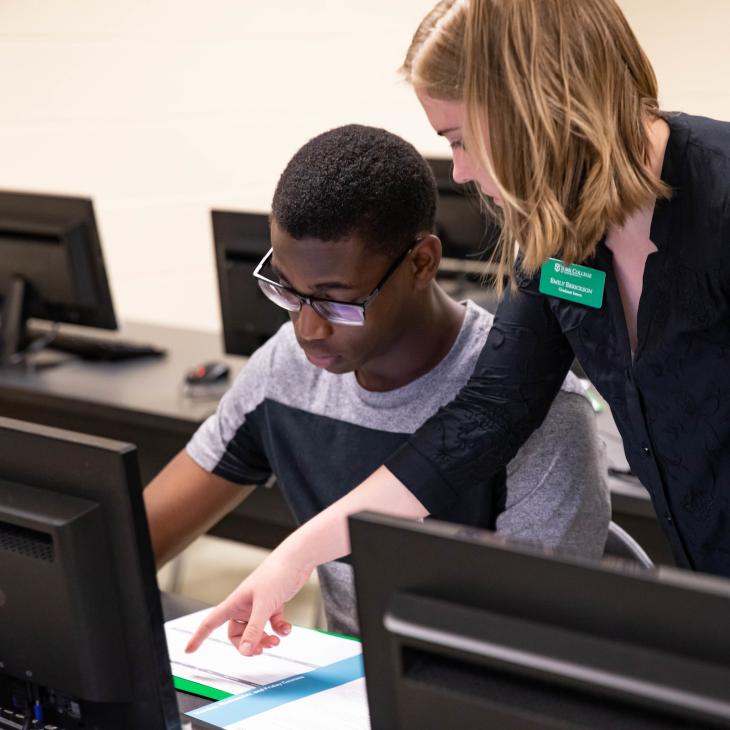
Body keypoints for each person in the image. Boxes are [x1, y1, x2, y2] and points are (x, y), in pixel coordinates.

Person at [187, 0, 730, 657]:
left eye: (459, 138)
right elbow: (486, 415)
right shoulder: (555, 233)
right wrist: (298, 554)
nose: (462, 172)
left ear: (539, 104)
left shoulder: (719, 195)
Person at [146, 123, 608, 644]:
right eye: (288, 293)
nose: (307, 329)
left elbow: (542, 646)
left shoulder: (544, 412)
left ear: (422, 263)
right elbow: (138, 539)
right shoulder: (283, 370)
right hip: (352, 690)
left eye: (337, 300)